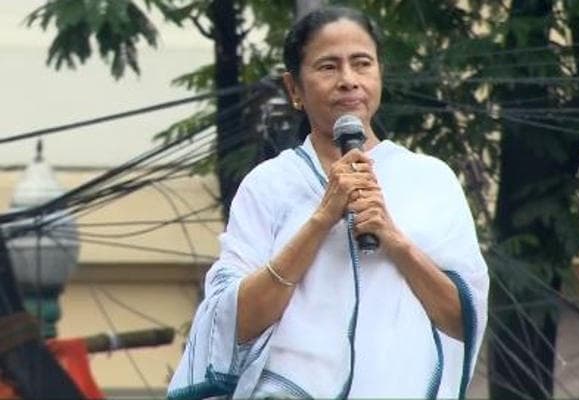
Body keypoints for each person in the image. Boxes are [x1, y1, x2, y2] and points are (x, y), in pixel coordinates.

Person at [167, 6, 489, 400]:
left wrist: (394, 239)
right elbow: (236, 324)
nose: (348, 80)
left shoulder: (430, 180)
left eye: (362, 63)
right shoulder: (269, 186)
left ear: (379, 73)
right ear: (294, 89)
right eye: (328, 67)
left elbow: (463, 321)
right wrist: (322, 219)